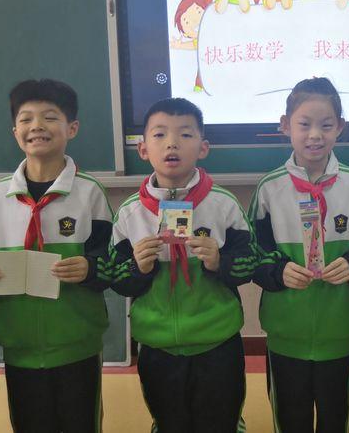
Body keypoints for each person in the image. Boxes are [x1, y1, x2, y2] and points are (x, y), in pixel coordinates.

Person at [0, 78, 113, 433]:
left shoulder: (90, 193)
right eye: (26, 119)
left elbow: (112, 264)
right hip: (19, 346)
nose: (37, 126)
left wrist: (90, 268)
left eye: (50, 117)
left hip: (77, 344)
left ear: (72, 128)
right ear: (15, 131)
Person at [110, 97, 256, 433]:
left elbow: (250, 263)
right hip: (157, 347)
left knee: (220, 423)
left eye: (185, 134)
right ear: (143, 149)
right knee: (169, 423)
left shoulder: (223, 205)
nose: (172, 143)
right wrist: (137, 268)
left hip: (217, 343)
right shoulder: (130, 214)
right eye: (160, 134)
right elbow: (116, 278)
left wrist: (220, 262)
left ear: (203, 147)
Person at [251, 77, 349, 432]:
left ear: (341, 127)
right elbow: (254, 256)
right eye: (304, 124)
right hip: (285, 331)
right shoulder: (269, 189)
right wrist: (278, 272)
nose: (315, 135)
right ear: (285, 125)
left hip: (339, 330)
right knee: (290, 420)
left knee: (335, 419)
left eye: (326, 125)